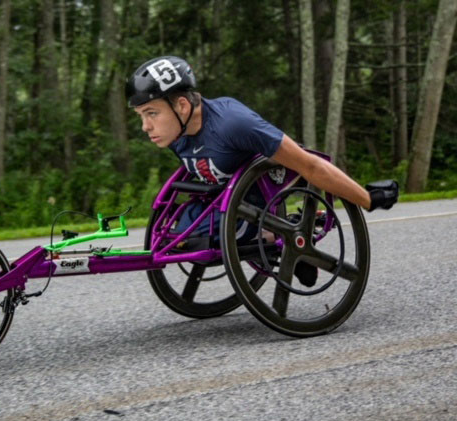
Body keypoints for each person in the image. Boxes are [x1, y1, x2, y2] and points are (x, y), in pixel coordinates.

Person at [126, 56, 398, 284]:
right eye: (141, 116)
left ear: (182, 106)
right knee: (175, 237)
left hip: (258, 204)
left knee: (207, 238)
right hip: (220, 202)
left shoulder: (234, 124)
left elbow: (309, 164)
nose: (145, 127)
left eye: (151, 114)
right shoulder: (175, 132)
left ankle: (287, 234)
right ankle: (268, 244)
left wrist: (368, 199)